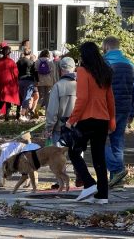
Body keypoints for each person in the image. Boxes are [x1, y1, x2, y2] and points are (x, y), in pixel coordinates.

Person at [66, 41, 116, 204]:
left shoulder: (82, 70)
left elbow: (83, 98)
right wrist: (112, 120)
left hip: (86, 119)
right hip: (102, 119)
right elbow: (110, 99)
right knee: (98, 158)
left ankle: (88, 183)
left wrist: (71, 120)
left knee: (74, 152)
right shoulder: (105, 71)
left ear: (84, 56)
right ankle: (102, 195)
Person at [102, 36, 134, 189]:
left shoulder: (104, 63)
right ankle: (117, 181)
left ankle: (117, 170)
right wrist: (132, 112)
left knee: (99, 141)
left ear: (106, 47)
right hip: (124, 108)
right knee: (118, 142)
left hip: (107, 108)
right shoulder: (130, 64)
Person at [45, 57, 83, 188]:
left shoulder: (58, 86)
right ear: (74, 69)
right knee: (78, 151)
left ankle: (60, 180)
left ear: (61, 70)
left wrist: (49, 126)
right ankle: (80, 175)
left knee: (59, 153)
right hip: (77, 124)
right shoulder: (81, 84)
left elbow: (52, 110)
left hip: (60, 127)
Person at [0, 46, 20, 121]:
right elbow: (16, 73)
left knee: (1, 100)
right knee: (8, 100)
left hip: (0, 83)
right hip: (10, 84)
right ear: (9, 53)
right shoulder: (11, 62)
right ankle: (7, 117)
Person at [16, 48, 36, 121]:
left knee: (23, 97)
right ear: (30, 53)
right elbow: (34, 72)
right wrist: (37, 81)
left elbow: (16, 71)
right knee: (26, 97)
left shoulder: (18, 62)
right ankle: (23, 114)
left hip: (20, 80)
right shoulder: (31, 62)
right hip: (29, 80)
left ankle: (25, 113)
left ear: (23, 53)